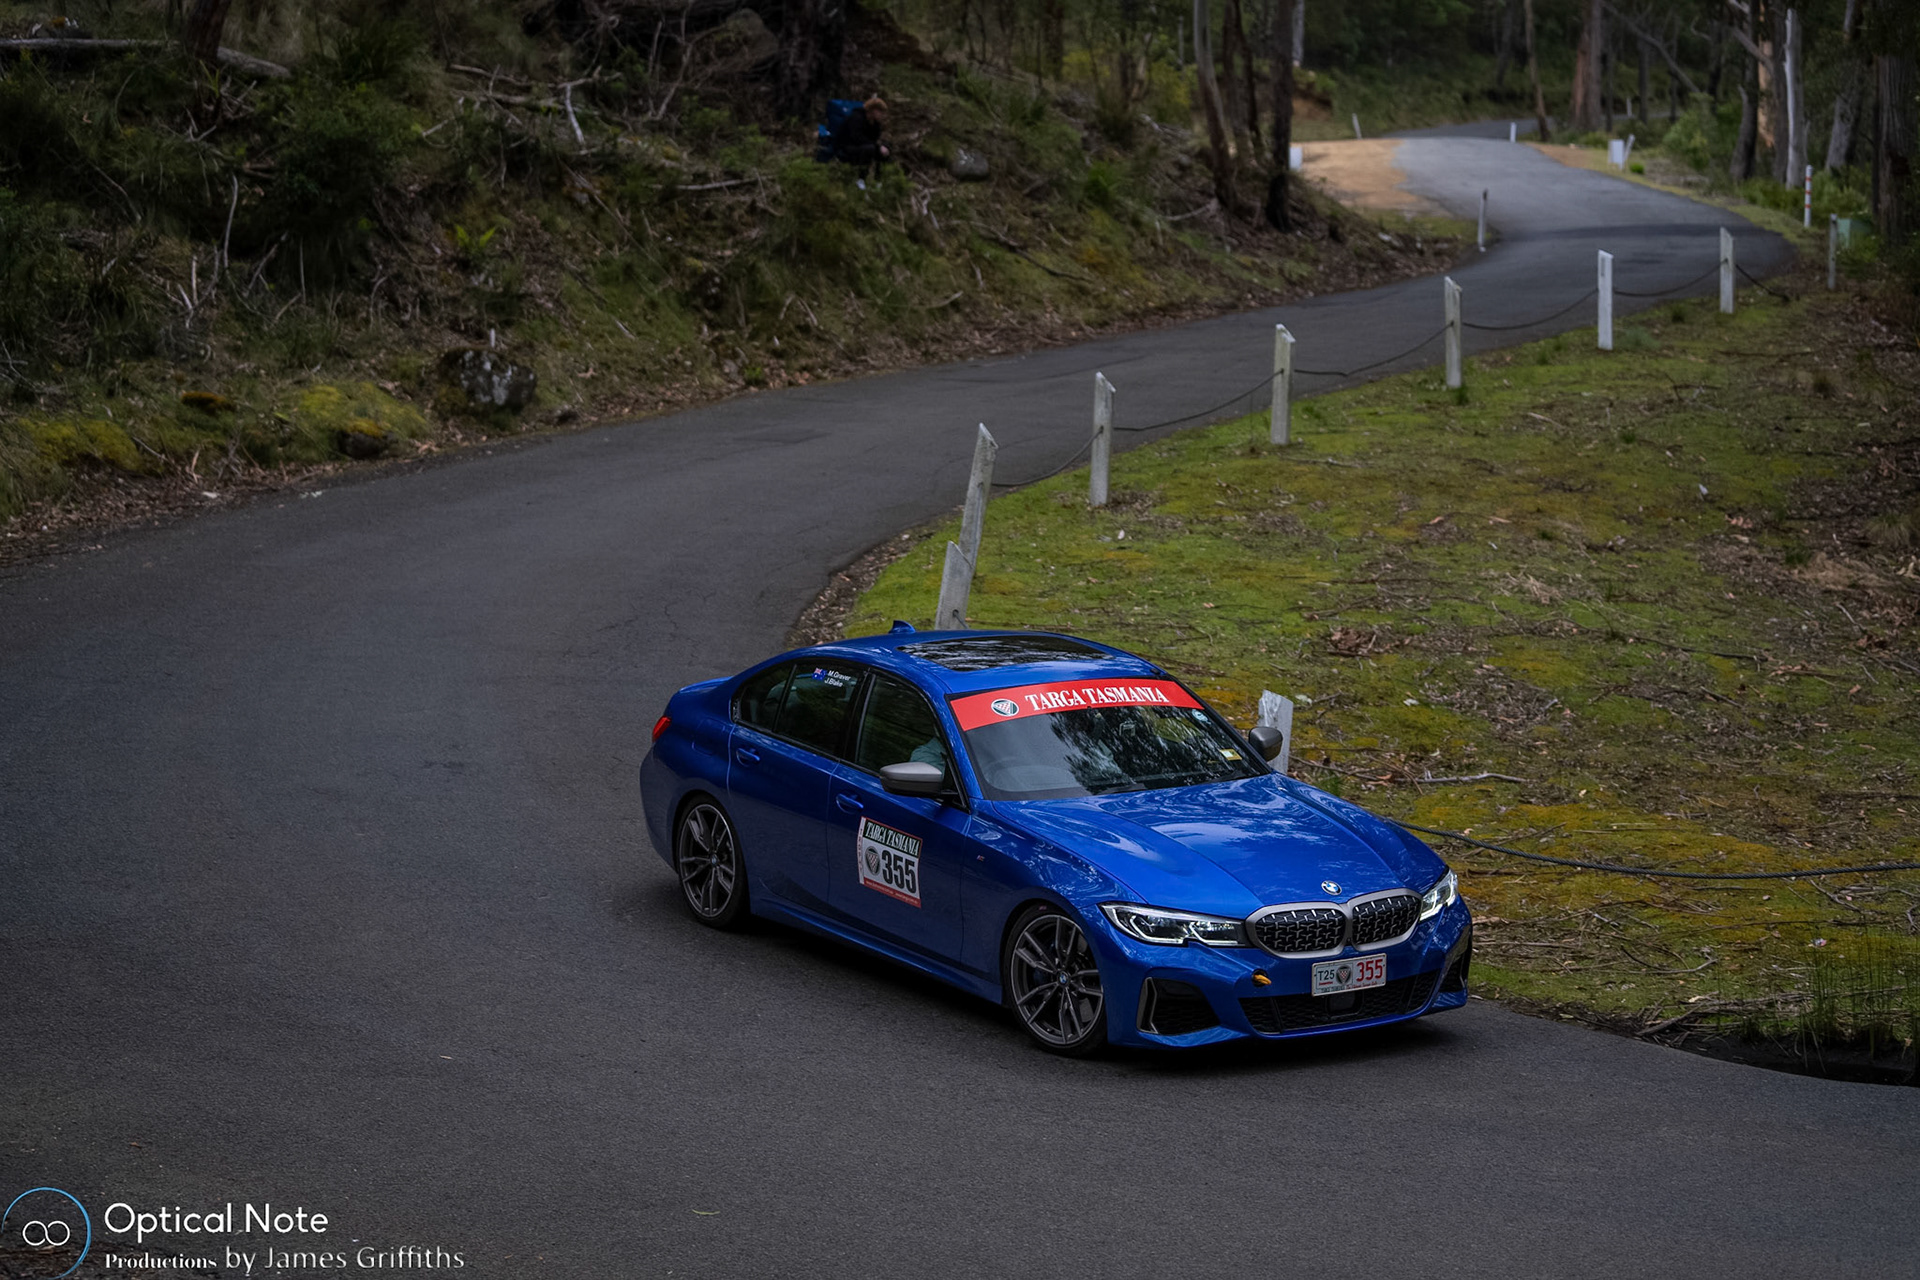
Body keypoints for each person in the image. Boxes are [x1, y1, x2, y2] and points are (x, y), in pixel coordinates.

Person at [832, 96, 891, 170]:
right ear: (874, 110)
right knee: (870, 149)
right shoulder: (856, 118)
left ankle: (879, 173)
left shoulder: (874, 123)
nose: (882, 115)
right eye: (881, 112)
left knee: (885, 147)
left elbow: (875, 138)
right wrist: (877, 146)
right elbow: (857, 137)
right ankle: (861, 174)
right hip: (847, 146)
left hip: (862, 145)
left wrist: (880, 146)